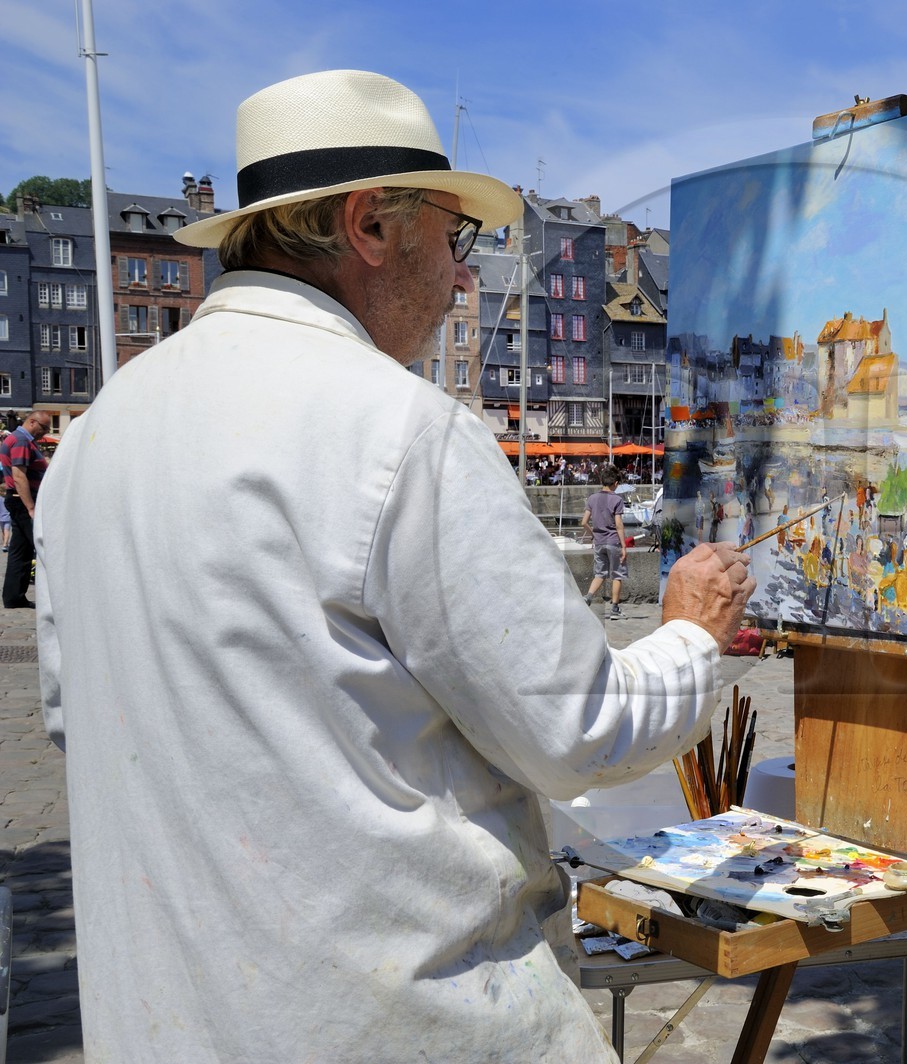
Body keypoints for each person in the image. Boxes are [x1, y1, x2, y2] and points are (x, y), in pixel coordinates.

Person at [35, 70, 756, 1062]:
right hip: (399, 1025)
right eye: (455, 240)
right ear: (371, 226)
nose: (462, 279)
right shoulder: (397, 429)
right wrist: (690, 633)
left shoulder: (93, 437)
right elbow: (577, 730)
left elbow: (74, 717)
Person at [2, 410, 50, 609]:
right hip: (23, 500)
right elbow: (19, 475)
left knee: (20, 551)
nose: (45, 432)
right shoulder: (22, 441)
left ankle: (14, 597)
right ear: (32, 422)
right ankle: (56, 595)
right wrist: (31, 507)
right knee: (43, 546)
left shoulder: (19, 439)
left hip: (18, 499)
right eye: (43, 427)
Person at [581, 463, 628, 619]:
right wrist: (624, 546)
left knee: (599, 574)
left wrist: (593, 534)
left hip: (599, 542)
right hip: (613, 541)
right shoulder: (617, 499)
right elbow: (619, 524)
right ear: (615, 483)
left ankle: (588, 597)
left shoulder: (592, 498)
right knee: (617, 575)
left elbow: (584, 522)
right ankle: (614, 609)